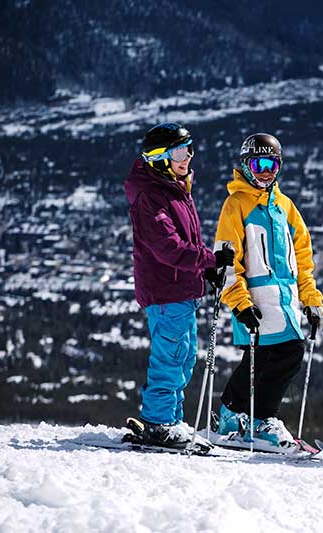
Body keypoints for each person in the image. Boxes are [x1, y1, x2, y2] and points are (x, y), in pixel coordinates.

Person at [124, 122, 235, 448]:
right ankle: (159, 423)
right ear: (159, 157)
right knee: (171, 356)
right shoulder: (151, 196)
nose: (187, 157)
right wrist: (210, 260)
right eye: (178, 152)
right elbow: (168, 247)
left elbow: (182, 244)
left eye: (188, 150)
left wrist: (204, 273)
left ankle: (170, 420)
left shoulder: (172, 188)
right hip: (165, 290)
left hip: (179, 289)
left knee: (183, 356)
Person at [212, 132, 323, 450]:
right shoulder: (237, 204)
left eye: (273, 163)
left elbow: (302, 258)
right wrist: (239, 302)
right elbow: (228, 257)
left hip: (284, 300)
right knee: (276, 355)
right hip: (256, 299)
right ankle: (253, 416)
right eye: (261, 163)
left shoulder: (285, 207)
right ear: (247, 164)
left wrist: (311, 300)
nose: (267, 171)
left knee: (274, 356)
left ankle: (240, 414)